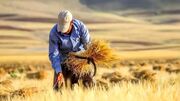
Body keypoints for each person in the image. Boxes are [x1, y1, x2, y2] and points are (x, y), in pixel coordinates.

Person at [49, 10, 94, 90]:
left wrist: (89, 54)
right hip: (63, 62)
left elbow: (87, 44)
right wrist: (59, 71)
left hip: (80, 60)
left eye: (66, 27)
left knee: (89, 83)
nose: (64, 31)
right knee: (58, 88)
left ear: (72, 22)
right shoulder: (54, 33)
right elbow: (54, 54)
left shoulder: (80, 27)